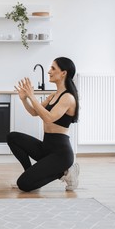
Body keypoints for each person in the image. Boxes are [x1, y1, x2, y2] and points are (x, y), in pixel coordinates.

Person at [7, 57, 80, 192]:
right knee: (12, 137)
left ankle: (64, 172)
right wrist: (25, 99)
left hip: (61, 153)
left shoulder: (68, 98)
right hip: (46, 147)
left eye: (53, 68)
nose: (49, 71)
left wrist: (32, 96)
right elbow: (35, 112)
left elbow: (49, 118)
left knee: (24, 185)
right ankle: (29, 174)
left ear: (64, 73)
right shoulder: (53, 95)